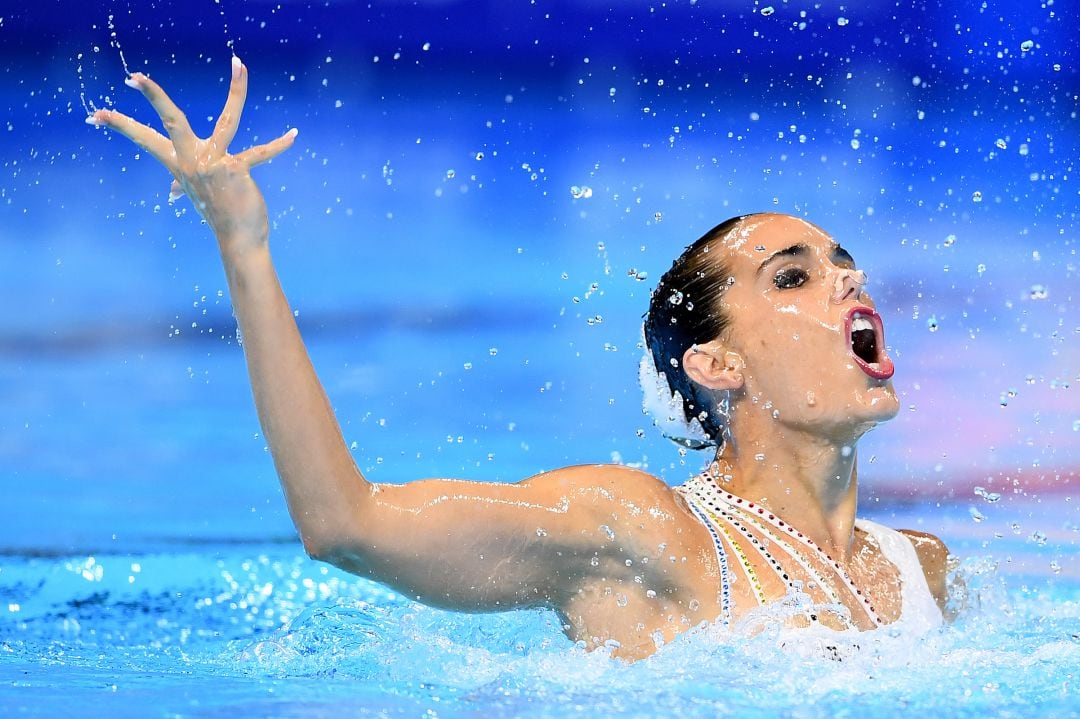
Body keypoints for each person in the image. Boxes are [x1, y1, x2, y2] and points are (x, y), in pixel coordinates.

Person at [86, 57, 950, 661]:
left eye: (843, 264)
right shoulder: (646, 532)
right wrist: (244, 242)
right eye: (793, 277)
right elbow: (344, 524)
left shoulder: (921, 571)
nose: (846, 282)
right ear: (717, 364)